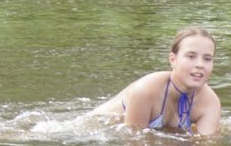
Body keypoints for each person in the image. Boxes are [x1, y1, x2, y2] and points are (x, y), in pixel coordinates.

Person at [92, 27, 221, 135]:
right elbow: (133, 144)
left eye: (207, 59)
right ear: (173, 60)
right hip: (96, 129)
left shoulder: (210, 103)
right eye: (191, 56)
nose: (200, 64)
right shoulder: (145, 90)